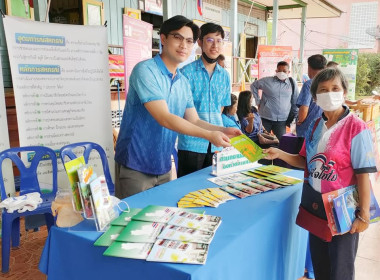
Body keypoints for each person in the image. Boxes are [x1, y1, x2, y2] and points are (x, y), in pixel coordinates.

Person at [264, 68, 377, 280]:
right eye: (323, 90)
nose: (329, 93)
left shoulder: (356, 128)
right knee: (321, 266)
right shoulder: (315, 125)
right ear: (315, 97)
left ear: (344, 92)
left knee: (340, 271)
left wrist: (363, 214)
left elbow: (363, 174)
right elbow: (306, 161)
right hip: (316, 207)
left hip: (342, 210)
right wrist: (280, 153)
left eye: (335, 88)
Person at [114, 16, 241, 198]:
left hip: (164, 165)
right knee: (132, 222)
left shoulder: (182, 81)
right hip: (135, 164)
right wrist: (209, 135)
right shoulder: (146, 70)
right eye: (178, 38)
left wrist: (223, 129)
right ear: (163, 39)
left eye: (189, 41)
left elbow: (194, 119)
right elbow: (164, 117)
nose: (184, 45)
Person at [177, 22, 231, 177]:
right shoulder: (186, 73)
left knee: (213, 189)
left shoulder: (224, 76)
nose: (215, 45)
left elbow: (221, 108)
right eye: (209, 40)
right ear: (199, 42)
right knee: (187, 191)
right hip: (191, 144)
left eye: (219, 41)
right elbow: (182, 112)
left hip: (216, 145)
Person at [250, 61, 299, 141]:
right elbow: (253, 86)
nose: (281, 73)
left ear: (288, 72)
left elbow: (295, 100)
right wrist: (258, 101)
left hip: (282, 120)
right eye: (279, 71)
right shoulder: (267, 81)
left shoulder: (292, 84)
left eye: (284, 71)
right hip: (266, 118)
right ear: (276, 71)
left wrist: (296, 115)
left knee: (282, 143)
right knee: (262, 141)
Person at [296, 54, 327, 138]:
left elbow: (304, 109)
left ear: (309, 67)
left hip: (308, 131)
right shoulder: (329, 82)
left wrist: (300, 120)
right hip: (325, 129)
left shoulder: (309, 84)